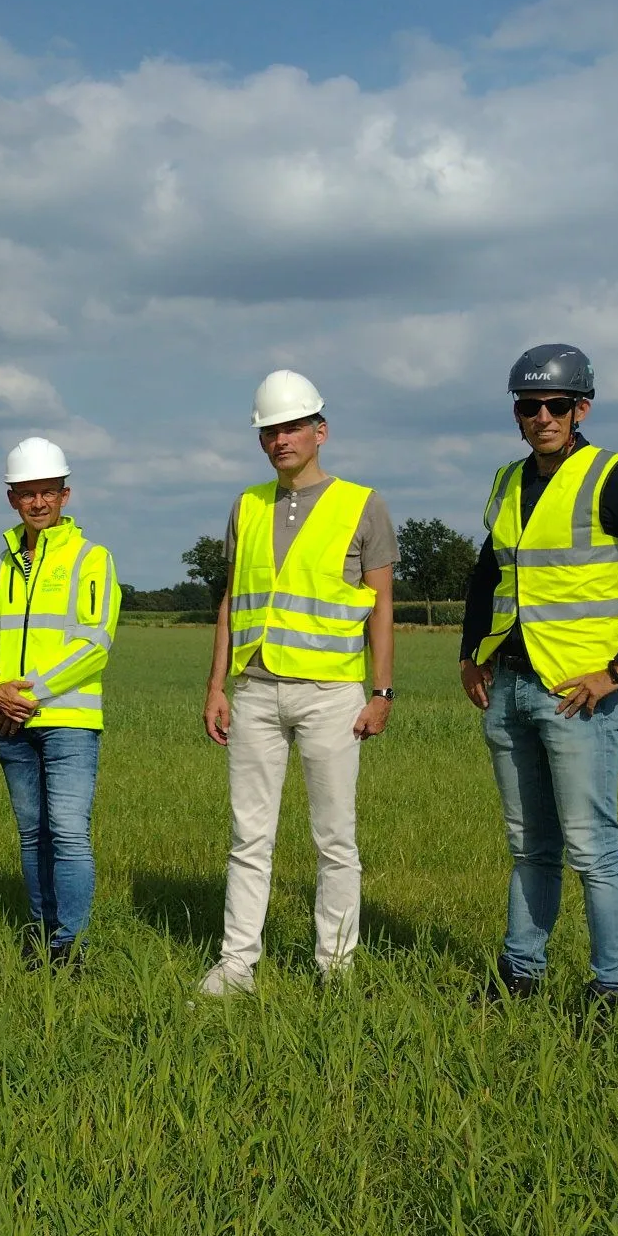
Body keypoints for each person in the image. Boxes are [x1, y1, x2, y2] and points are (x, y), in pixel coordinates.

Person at [459, 343, 618, 1018]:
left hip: (579, 696)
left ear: (581, 408)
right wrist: (468, 651)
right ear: (516, 412)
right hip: (509, 686)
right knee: (528, 845)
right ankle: (521, 975)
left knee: (592, 847)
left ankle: (611, 993)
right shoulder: (509, 482)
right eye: (528, 405)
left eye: (556, 405)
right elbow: (491, 572)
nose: (541, 416)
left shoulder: (616, 477)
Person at [200, 370, 396, 997]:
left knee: (334, 838)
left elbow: (382, 608)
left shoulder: (363, 505)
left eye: (291, 427)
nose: (280, 438)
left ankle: (335, 968)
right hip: (254, 691)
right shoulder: (247, 506)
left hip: (331, 694)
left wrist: (382, 692)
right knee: (248, 837)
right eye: (269, 430)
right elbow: (232, 601)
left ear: (320, 430)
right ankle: (237, 966)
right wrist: (216, 686)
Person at [0, 437, 119, 968]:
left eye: (47, 492)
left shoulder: (92, 559)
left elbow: (94, 643)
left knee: (69, 834)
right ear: (12, 498)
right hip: (9, 722)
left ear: (65, 494)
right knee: (32, 835)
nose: (37, 503)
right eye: (26, 493)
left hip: (69, 721)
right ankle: (42, 931)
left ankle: (69, 945)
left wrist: (28, 695)